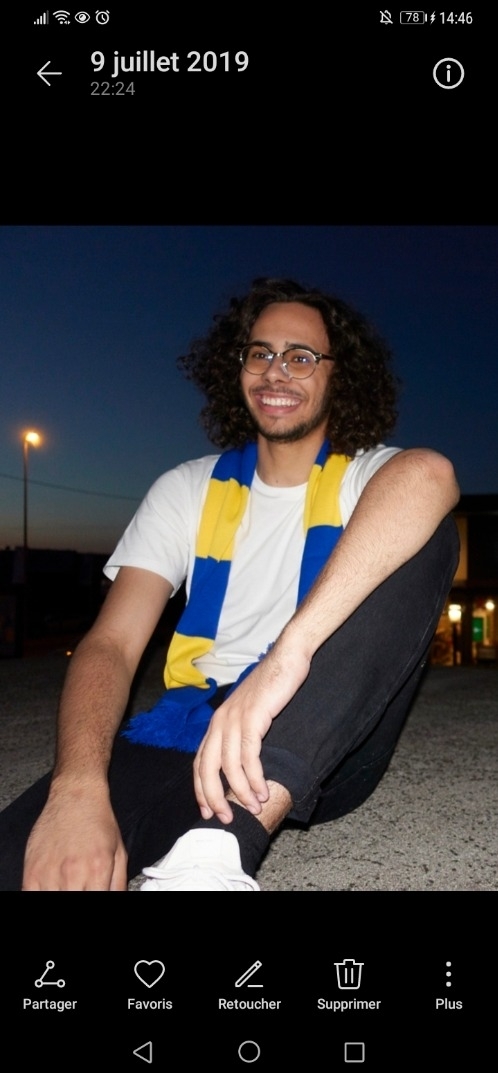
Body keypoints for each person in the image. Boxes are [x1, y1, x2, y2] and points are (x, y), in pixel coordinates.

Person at [0, 277, 460, 891]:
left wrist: (283, 660)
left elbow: (429, 474)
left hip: (322, 736)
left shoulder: (369, 474)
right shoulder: (184, 488)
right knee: (32, 851)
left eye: (302, 357)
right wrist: (77, 788)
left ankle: (217, 851)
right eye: (260, 352)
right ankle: (190, 833)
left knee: (425, 533)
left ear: (340, 376)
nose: (276, 371)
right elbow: (111, 644)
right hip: (190, 731)